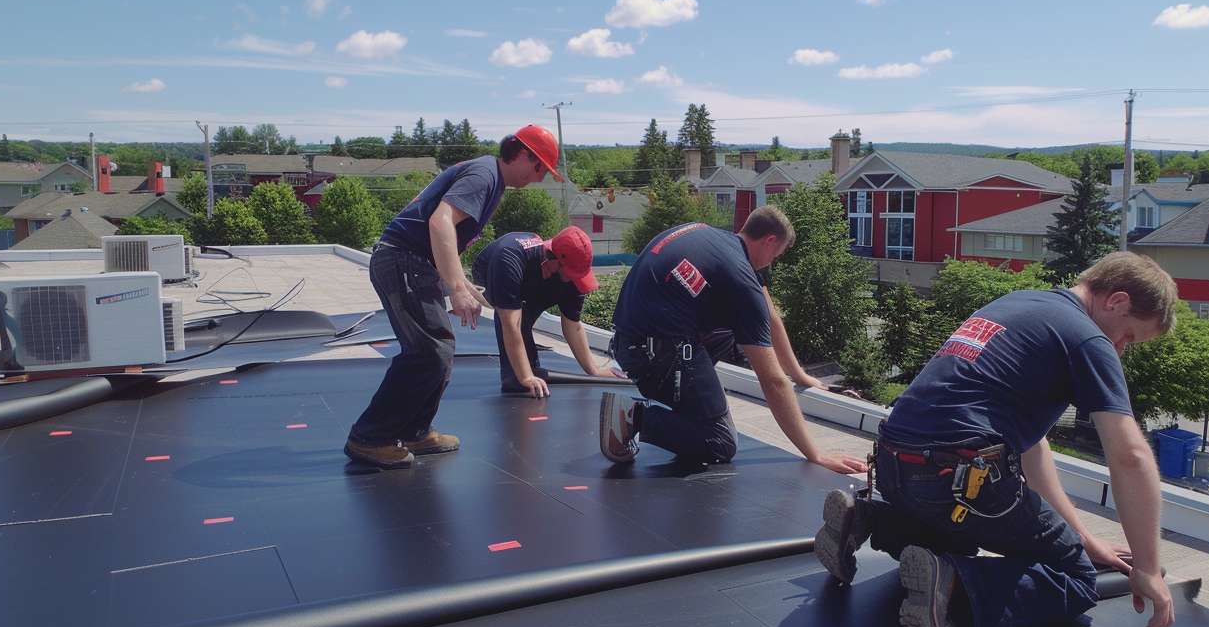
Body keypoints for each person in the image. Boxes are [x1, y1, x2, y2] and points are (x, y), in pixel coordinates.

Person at [815, 252, 1178, 627]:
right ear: (1117, 301)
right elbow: (1130, 457)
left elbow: (1032, 449)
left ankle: (874, 518)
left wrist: (1084, 537)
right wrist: (1147, 567)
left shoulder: (1017, 304)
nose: (1121, 349)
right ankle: (952, 587)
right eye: (1128, 336)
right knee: (1075, 575)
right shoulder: (1088, 337)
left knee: (959, 541)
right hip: (958, 474)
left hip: (893, 464)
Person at [344, 125, 562, 469]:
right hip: (402, 260)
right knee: (428, 351)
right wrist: (456, 287)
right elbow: (439, 223)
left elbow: (445, 237)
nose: (538, 179)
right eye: (539, 169)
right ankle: (370, 437)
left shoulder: (490, 179)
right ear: (522, 154)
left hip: (413, 263)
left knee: (439, 350)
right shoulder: (485, 176)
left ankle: (415, 430)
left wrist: (462, 281)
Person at [598, 206, 863, 474]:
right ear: (769, 240)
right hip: (654, 355)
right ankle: (632, 416)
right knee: (720, 442)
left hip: (631, 342)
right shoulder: (739, 276)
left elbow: (770, 317)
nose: (771, 263)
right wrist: (815, 454)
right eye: (776, 255)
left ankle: (690, 400)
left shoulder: (715, 241)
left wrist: (800, 376)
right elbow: (772, 381)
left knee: (735, 328)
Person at [470, 225, 620, 397]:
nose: (575, 280)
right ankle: (518, 374)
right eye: (572, 274)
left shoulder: (573, 275)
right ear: (555, 261)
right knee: (519, 377)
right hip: (490, 270)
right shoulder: (510, 258)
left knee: (530, 363)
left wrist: (594, 370)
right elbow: (511, 324)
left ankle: (528, 368)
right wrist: (525, 377)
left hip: (537, 280)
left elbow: (573, 325)